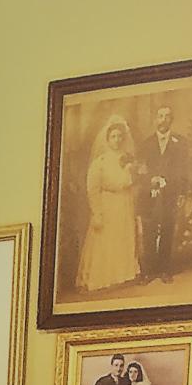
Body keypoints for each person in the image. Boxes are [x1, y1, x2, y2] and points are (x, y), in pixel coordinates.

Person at [75, 117, 140, 293]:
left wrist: (131, 172)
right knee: (105, 241)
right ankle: (100, 278)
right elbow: (93, 188)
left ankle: (121, 276)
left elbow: (132, 183)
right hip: (108, 205)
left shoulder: (127, 159)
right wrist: (97, 212)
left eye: (120, 136)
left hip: (124, 205)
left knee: (122, 238)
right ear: (107, 139)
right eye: (113, 136)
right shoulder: (100, 162)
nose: (117, 140)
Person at [139, 103, 192, 283]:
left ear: (172, 120)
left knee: (168, 229)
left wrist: (182, 194)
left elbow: (185, 170)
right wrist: (150, 180)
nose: (163, 120)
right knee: (149, 231)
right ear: (155, 120)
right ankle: (148, 271)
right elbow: (140, 170)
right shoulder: (146, 143)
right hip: (150, 194)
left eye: (167, 116)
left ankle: (164, 269)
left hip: (171, 193)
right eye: (160, 116)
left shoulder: (181, 142)